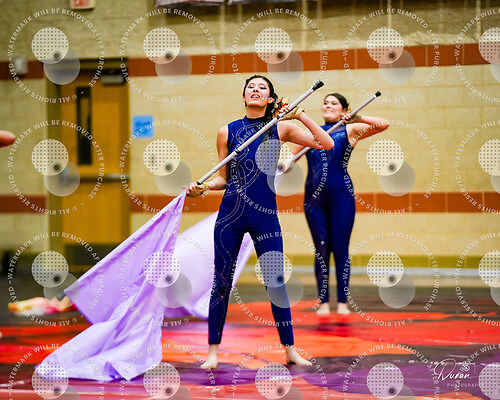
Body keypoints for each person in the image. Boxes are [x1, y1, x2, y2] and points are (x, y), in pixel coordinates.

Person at [187, 75, 334, 369]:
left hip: (265, 217)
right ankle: (212, 352)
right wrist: (203, 187)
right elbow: (223, 179)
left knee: (276, 284)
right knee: (221, 283)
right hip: (230, 215)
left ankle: (290, 350)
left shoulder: (280, 127)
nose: (255, 90)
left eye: (262, 87)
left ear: (270, 99)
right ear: (244, 96)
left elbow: (326, 143)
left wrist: (300, 115)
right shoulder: (226, 131)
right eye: (250, 87)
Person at [291, 93, 389, 315]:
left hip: (341, 196)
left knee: (340, 249)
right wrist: (284, 164)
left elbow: (383, 124)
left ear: (344, 110)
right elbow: (288, 159)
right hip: (314, 199)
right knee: (321, 249)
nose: (328, 106)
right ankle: (323, 302)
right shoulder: (311, 133)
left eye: (334, 103)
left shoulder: (350, 130)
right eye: (325, 102)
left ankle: (343, 303)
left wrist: (358, 118)